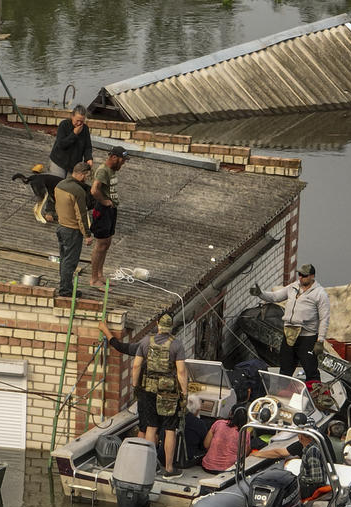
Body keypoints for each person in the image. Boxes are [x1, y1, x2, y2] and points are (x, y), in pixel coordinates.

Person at [250, 264, 330, 382]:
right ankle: (283, 391)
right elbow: (275, 297)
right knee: (285, 367)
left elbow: (324, 318)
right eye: (300, 275)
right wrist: (260, 293)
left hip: (307, 337)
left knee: (310, 368)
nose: (301, 277)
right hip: (290, 335)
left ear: (312, 276)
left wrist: (320, 341)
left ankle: (315, 393)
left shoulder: (320, 294)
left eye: (304, 275)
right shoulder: (293, 287)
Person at [132, 313, 188, 479]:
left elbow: (136, 366)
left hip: (148, 390)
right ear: (171, 326)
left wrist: (135, 386)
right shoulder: (177, 345)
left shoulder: (144, 342)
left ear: (157, 324)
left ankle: (149, 466)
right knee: (170, 429)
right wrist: (184, 393)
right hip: (168, 393)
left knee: (151, 426)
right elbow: (181, 371)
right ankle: (169, 469)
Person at [89, 146, 129, 286]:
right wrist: (104, 201)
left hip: (111, 209)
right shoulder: (103, 170)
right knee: (100, 244)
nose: (123, 163)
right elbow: (94, 190)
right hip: (103, 209)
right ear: (113, 157)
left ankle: (100, 274)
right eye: (122, 160)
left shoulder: (112, 170)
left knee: (107, 242)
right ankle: (94, 279)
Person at [52, 162, 93, 297]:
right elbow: (81, 215)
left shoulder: (60, 185)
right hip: (72, 230)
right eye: (86, 175)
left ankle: (66, 286)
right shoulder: (78, 191)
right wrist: (87, 234)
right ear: (81, 174)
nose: (86, 178)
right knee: (70, 261)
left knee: (64, 259)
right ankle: (65, 290)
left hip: (61, 227)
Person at [48, 105, 93, 178]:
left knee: (69, 187)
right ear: (72, 116)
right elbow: (61, 145)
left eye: (81, 121)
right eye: (77, 120)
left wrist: (89, 158)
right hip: (59, 161)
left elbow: (87, 147)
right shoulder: (64, 125)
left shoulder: (85, 129)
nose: (79, 123)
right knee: (57, 184)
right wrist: (74, 134)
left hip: (74, 165)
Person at [200, 407, 250, 473]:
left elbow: (206, 445)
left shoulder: (218, 423)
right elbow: (245, 454)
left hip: (208, 466)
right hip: (229, 469)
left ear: (230, 413)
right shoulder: (245, 432)